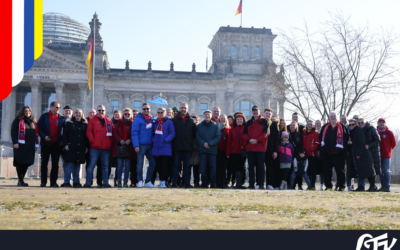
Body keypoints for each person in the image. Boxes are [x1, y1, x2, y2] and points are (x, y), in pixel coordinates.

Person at [319, 111, 349, 191]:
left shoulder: (342, 127)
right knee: (327, 172)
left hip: (339, 153)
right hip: (327, 153)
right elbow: (320, 139)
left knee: (340, 172)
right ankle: (328, 186)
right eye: (331, 116)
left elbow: (347, 139)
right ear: (329, 118)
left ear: (337, 117)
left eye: (334, 116)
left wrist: (346, 151)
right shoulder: (325, 127)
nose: (333, 118)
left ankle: (341, 186)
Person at [84, 105, 114, 188]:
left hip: (105, 148)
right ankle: (88, 182)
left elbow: (112, 134)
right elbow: (89, 132)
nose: (101, 112)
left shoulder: (108, 121)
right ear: (97, 111)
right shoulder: (92, 120)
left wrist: (109, 142)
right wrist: (92, 141)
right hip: (95, 147)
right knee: (91, 166)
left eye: (102, 110)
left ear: (105, 111)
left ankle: (105, 183)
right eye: (99, 110)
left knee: (105, 166)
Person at [38, 101, 64, 187]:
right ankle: (43, 182)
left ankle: (53, 182)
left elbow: (65, 131)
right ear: (51, 107)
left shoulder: (61, 118)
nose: (58, 109)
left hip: (56, 145)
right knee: (44, 163)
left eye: (59, 108)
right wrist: (44, 137)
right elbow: (38, 128)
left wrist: (62, 140)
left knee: (55, 164)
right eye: (56, 107)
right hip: (46, 144)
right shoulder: (44, 117)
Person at [11, 106, 39, 186]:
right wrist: (15, 142)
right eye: (26, 111)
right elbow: (13, 131)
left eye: (29, 111)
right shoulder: (18, 120)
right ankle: (20, 180)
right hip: (20, 145)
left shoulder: (33, 121)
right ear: (22, 112)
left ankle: (21, 180)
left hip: (30, 145)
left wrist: (36, 145)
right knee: (20, 162)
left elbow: (35, 134)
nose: (27, 112)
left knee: (27, 162)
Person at [171, 103, 197, 188]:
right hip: (177, 147)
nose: (183, 109)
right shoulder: (174, 120)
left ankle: (187, 183)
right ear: (179, 109)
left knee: (187, 166)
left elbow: (194, 134)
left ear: (187, 109)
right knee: (175, 165)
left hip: (187, 147)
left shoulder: (191, 121)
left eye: (185, 108)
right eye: (182, 108)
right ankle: (174, 182)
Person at [243, 106, 269, 189]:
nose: (255, 112)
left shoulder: (265, 121)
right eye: (253, 111)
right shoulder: (248, 122)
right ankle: (251, 184)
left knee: (260, 167)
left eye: (256, 111)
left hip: (260, 148)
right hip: (250, 148)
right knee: (251, 167)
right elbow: (244, 134)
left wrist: (257, 140)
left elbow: (266, 134)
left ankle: (260, 184)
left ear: (259, 112)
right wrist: (249, 140)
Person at [131, 103, 157, 188]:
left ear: (150, 109)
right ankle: (140, 180)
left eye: (147, 109)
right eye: (144, 109)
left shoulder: (152, 119)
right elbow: (134, 133)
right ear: (142, 110)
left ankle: (148, 181)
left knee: (153, 163)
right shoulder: (137, 120)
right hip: (141, 145)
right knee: (140, 164)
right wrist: (136, 145)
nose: (146, 110)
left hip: (150, 145)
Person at [62, 109, 88, 188]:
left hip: (80, 148)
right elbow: (65, 135)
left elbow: (86, 137)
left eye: (79, 113)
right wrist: (65, 144)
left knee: (77, 166)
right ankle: (66, 182)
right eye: (76, 113)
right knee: (70, 165)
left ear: (82, 114)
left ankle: (76, 182)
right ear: (74, 114)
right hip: (71, 147)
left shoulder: (85, 124)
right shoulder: (69, 123)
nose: (78, 114)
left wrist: (86, 146)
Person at [151, 107, 176, 188]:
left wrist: (166, 140)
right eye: (159, 112)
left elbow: (172, 133)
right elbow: (152, 133)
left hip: (165, 147)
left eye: (162, 112)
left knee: (164, 166)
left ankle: (163, 181)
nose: (160, 114)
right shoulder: (155, 122)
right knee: (158, 166)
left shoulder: (169, 122)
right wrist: (153, 139)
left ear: (165, 113)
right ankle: (160, 181)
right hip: (156, 148)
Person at [349, 119, 376, 192]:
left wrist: (358, 153)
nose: (351, 126)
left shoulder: (359, 131)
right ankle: (361, 187)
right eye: (350, 125)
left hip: (363, 154)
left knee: (368, 171)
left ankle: (372, 186)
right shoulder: (353, 132)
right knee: (361, 171)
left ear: (356, 124)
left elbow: (361, 143)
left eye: (353, 124)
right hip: (360, 154)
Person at [197, 110, 221, 188]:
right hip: (203, 150)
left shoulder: (215, 126)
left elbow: (217, 137)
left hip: (212, 150)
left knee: (212, 168)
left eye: (208, 114)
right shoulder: (200, 126)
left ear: (211, 116)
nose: (207, 116)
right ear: (203, 116)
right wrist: (203, 143)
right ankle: (204, 183)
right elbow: (197, 136)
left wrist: (209, 143)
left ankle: (213, 183)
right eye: (206, 114)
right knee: (203, 168)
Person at [358, 117, 381, 191]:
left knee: (372, 170)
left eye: (362, 122)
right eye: (359, 123)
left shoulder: (371, 129)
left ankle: (373, 186)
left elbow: (378, 139)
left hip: (373, 152)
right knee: (368, 169)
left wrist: (369, 145)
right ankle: (371, 186)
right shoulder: (361, 130)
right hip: (366, 153)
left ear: (365, 122)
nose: (360, 124)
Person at [113, 108, 135, 188]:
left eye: (128, 114)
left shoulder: (133, 123)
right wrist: (120, 140)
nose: (127, 115)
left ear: (131, 115)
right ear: (123, 115)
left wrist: (130, 140)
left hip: (129, 148)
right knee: (119, 166)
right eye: (125, 114)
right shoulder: (119, 122)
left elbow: (135, 133)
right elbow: (115, 132)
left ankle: (125, 182)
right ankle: (119, 182)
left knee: (127, 167)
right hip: (121, 147)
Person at [226, 113, 247, 189]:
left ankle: (241, 182)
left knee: (242, 167)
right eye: (238, 119)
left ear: (243, 120)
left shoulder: (246, 129)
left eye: (241, 119)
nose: (239, 120)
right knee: (236, 167)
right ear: (236, 121)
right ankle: (238, 183)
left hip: (243, 151)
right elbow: (229, 142)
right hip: (234, 152)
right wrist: (228, 153)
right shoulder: (232, 130)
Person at [377, 118, 396, 192]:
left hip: (386, 155)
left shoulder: (389, 132)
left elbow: (394, 143)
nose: (381, 123)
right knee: (381, 171)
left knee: (386, 171)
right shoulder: (376, 132)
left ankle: (387, 186)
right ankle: (383, 186)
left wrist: (388, 150)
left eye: (383, 122)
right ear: (378, 123)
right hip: (378, 155)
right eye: (380, 122)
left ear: (385, 123)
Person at [264, 108, 280, 190]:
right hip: (260, 149)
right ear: (264, 114)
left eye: (269, 114)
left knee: (270, 168)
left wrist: (275, 151)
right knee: (260, 167)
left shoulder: (274, 125)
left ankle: (269, 184)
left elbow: (277, 139)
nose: (267, 115)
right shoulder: (261, 123)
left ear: (271, 115)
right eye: (266, 113)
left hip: (270, 149)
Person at [303, 120, 320, 189]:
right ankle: (309, 185)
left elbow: (317, 143)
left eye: (311, 124)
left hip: (312, 155)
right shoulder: (304, 134)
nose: (309, 125)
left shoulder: (315, 133)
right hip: (305, 155)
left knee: (313, 170)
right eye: (308, 124)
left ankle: (313, 185)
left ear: (313, 125)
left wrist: (311, 150)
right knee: (308, 170)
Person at [60, 105, 73, 187]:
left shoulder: (73, 120)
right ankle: (66, 180)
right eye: (66, 111)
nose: (67, 112)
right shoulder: (60, 119)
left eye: (69, 111)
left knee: (70, 163)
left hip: (70, 145)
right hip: (61, 144)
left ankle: (69, 180)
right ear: (63, 112)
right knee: (64, 163)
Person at [288, 121, 304, 190]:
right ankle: (292, 185)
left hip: (297, 154)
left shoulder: (299, 134)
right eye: (291, 125)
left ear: (296, 126)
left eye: (293, 125)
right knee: (290, 170)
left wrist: (301, 153)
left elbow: (301, 145)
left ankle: (300, 185)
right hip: (289, 155)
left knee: (298, 170)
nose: (292, 126)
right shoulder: (287, 134)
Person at [216, 114, 230, 188]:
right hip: (217, 151)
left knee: (223, 168)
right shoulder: (216, 128)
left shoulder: (228, 129)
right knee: (217, 167)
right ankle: (216, 182)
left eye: (224, 118)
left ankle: (222, 183)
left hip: (225, 151)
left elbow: (229, 142)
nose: (223, 119)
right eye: (221, 118)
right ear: (219, 119)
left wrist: (228, 152)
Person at [190, 115, 201, 187]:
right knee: (188, 166)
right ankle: (186, 182)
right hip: (190, 150)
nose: (195, 121)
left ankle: (196, 182)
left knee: (196, 168)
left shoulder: (200, 128)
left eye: (196, 120)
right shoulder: (189, 128)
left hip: (198, 150)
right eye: (193, 120)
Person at [129, 109, 139, 187]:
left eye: (136, 114)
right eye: (134, 114)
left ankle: (138, 181)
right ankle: (133, 181)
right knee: (132, 166)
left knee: (139, 165)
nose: (135, 116)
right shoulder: (130, 123)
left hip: (139, 146)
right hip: (131, 147)